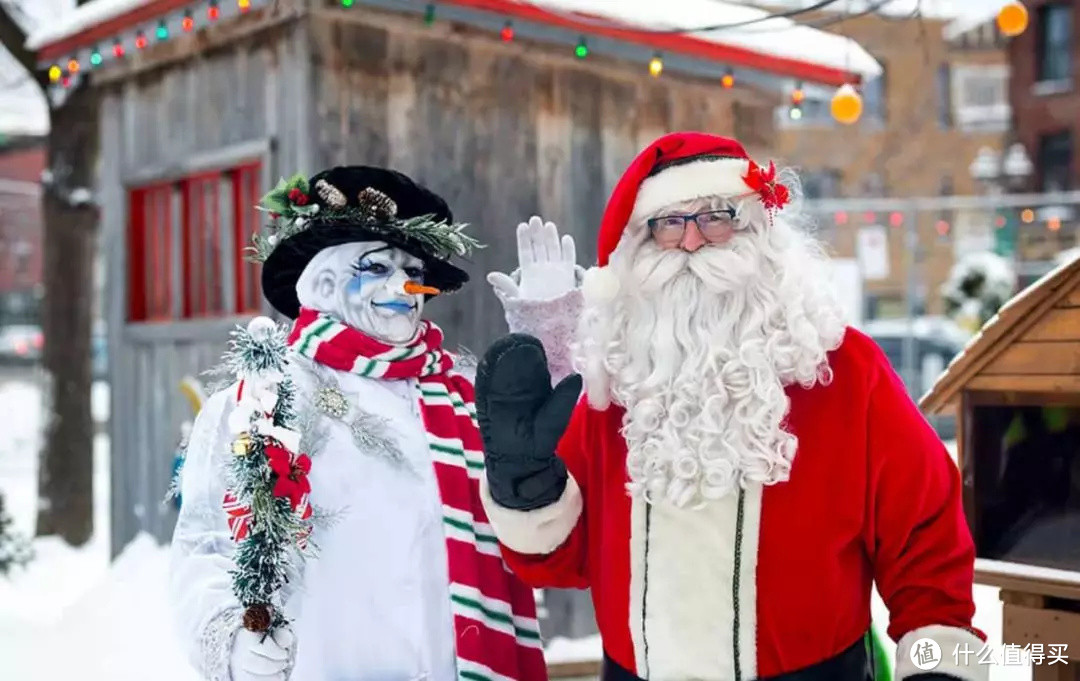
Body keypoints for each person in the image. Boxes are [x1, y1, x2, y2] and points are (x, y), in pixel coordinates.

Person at [475, 132, 987, 681]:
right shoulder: (615, 384)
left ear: (758, 229)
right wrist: (527, 483)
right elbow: (559, 560)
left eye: (715, 217)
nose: (693, 242)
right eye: (669, 223)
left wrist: (938, 663)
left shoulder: (845, 371)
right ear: (641, 246)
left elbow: (925, 537)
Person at [169, 166, 581, 681]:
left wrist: (553, 347)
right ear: (320, 282)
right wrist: (229, 637)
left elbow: (549, 469)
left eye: (412, 269)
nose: (404, 285)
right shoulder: (261, 399)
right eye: (377, 267)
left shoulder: (465, 394)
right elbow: (205, 548)